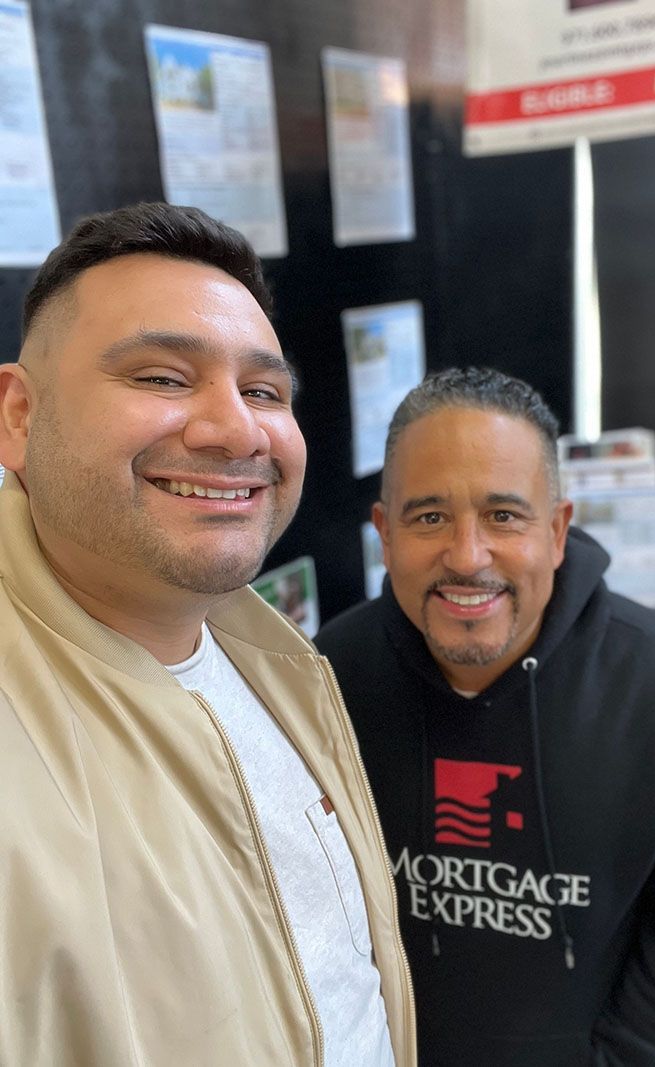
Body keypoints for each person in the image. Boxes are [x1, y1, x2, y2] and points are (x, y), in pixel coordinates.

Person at [0, 203, 414, 1067]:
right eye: (160, 377)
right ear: (18, 416)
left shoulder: (277, 657)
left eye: (264, 390)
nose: (236, 429)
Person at [315, 366, 655, 1067]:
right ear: (384, 531)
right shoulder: (322, 681)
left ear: (557, 532)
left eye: (504, 515)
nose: (467, 557)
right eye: (429, 516)